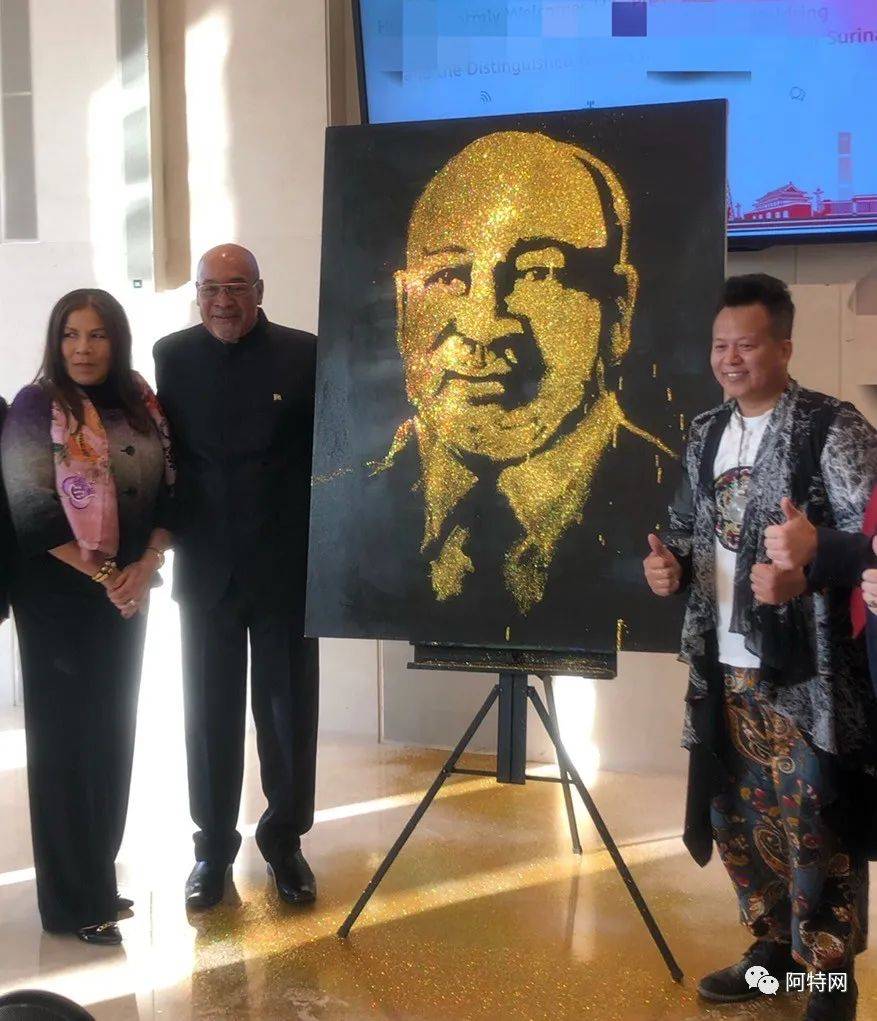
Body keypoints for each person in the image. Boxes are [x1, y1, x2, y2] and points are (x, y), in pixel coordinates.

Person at [310, 129, 682, 653]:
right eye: (447, 276)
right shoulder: (336, 517)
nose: (482, 325)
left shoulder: (678, 509)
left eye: (538, 273)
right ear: (405, 309)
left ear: (618, 311)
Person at [643, 273, 877, 1021]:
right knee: (738, 821)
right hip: (723, 667)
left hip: (807, 675)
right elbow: (686, 529)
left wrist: (810, 565)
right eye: (720, 346)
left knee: (816, 829)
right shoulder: (704, 430)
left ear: (784, 346)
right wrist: (668, 567)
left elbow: (872, 541)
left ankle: (831, 985)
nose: (730, 359)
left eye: (746, 344)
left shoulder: (831, 427)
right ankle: (773, 957)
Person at [1, 289, 174, 945]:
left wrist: (145, 565)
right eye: (70, 334)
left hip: (127, 589)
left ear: (116, 340)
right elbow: (32, 510)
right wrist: (107, 576)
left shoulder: (141, 403)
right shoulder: (34, 405)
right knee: (64, 744)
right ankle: (71, 901)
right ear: (56, 341)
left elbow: (172, 491)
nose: (82, 348)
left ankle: (96, 878)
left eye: (97, 334)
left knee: (111, 735)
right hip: (58, 596)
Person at [154, 244, 319, 910]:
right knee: (207, 719)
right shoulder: (171, 356)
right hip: (205, 571)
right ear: (196, 293)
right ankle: (211, 852)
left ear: (259, 289)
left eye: (236, 287)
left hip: (285, 570)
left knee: (287, 717)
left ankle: (285, 844)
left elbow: (328, 457)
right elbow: (166, 457)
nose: (222, 301)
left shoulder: (304, 354)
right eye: (210, 288)